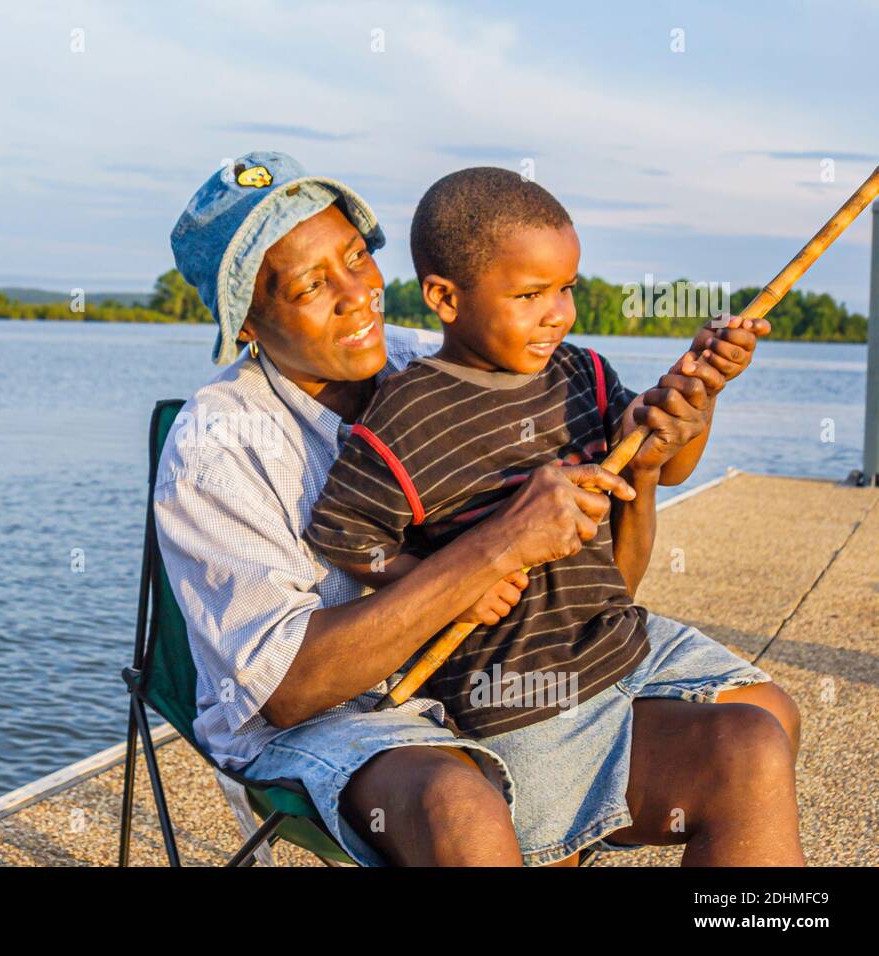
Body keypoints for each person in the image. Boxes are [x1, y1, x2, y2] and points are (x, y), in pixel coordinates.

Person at [154, 151, 797, 866]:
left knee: (755, 732)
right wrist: (493, 548)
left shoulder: (433, 364)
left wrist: (648, 454)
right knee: (459, 810)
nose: (358, 294)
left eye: (355, 258)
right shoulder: (216, 447)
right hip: (340, 713)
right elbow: (288, 690)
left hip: (494, 666)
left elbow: (597, 573)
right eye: (310, 284)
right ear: (246, 323)